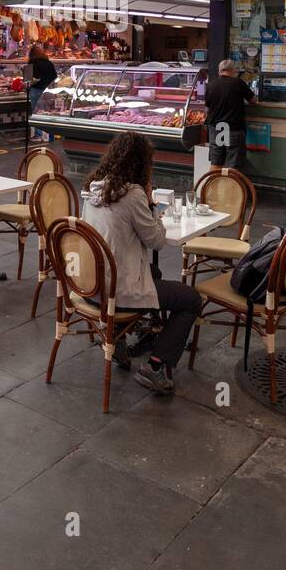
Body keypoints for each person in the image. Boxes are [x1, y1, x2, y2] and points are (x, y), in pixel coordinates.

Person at [83, 131, 202, 396]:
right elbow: (158, 241)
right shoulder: (133, 195)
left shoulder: (93, 188)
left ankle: (120, 335)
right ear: (141, 164)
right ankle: (155, 366)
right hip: (117, 291)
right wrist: (149, 202)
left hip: (90, 285)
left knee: (154, 271)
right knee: (191, 299)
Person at [205, 58, 255, 171]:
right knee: (233, 165)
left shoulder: (211, 85)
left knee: (216, 162)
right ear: (233, 71)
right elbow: (253, 101)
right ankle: (230, 189)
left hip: (217, 128)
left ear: (219, 71)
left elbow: (207, 108)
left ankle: (211, 188)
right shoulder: (238, 83)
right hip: (233, 128)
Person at [27, 42, 57, 141]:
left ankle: (38, 135)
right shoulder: (48, 62)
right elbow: (55, 76)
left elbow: (30, 79)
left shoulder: (32, 62)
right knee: (47, 112)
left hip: (36, 90)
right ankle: (49, 135)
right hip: (48, 91)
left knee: (36, 112)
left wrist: (25, 84)